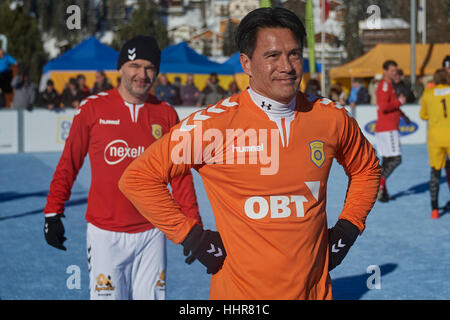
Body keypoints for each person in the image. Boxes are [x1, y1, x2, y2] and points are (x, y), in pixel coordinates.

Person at [119, 7, 380, 300]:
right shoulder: (213, 126)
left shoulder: (330, 117)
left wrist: (347, 229)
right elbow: (138, 178)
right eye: (272, 56)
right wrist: (192, 237)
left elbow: (367, 169)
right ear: (246, 63)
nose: (287, 66)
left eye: (294, 54)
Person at [42, 35, 202, 300]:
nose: (142, 74)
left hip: (152, 232)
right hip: (105, 234)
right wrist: (52, 211)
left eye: (150, 67)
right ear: (120, 68)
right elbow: (69, 162)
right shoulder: (92, 109)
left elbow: (180, 175)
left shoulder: (166, 114)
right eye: (135, 65)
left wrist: (193, 223)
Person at [375, 60, 409, 202]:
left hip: (385, 128)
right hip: (387, 128)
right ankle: (379, 185)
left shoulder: (388, 85)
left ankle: (383, 192)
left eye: (396, 70)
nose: (395, 73)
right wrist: (399, 102)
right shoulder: (384, 85)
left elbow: (390, 106)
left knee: (388, 160)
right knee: (396, 159)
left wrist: (403, 115)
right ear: (385, 71)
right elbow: (384, 107)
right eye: (392, 71)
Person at [419, 69, 450, 219]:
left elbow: (423, 115)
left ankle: (435, 209)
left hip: (435, 138)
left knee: (435, 172)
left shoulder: (429, 93)